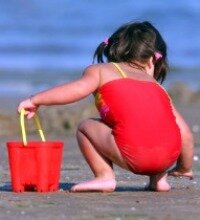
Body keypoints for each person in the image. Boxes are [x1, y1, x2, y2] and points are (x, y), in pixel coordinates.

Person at [18, 21, 194, 192]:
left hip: (135, 154)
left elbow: (76, 90)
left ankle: (104, 176)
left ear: (112, 50)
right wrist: (184, 168)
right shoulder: (159, 87)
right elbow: (185, 133)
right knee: (157, 127)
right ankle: (159, 180)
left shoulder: (101, 70)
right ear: (151, 61)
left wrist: (36, 99)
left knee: (85, 127)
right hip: (167, 157)